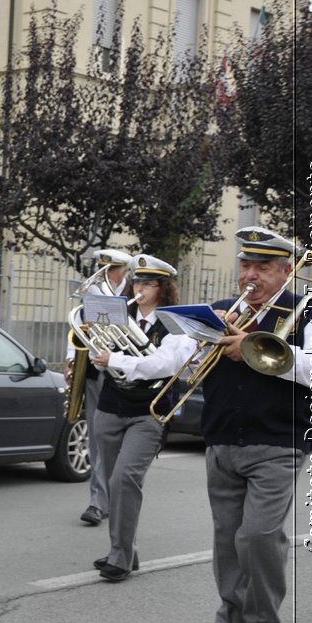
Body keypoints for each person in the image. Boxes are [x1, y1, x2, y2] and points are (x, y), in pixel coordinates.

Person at [192, 227, 312, 623]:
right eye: (246, 265)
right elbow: (184, 365)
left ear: (287, 272)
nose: (250, 275)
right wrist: (198, 344)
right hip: (222, 440)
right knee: (228, 541)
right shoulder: (218, 313)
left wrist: (250, 347)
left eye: (263, 267)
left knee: (259, 537)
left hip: (278, 442)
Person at [87, 254, 192, 582]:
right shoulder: (118, 313)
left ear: (164, 287)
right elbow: (95, 348)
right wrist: (99, 354)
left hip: (149, 411)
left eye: (149, 283)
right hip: (110, 406)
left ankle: (119, 555)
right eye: (137, 281)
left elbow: (164, 364)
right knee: (114, 481)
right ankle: (124, 550)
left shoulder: (176, 322)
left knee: (124, 478)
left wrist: (117, 358)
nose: (141, 288)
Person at [79, 246, 133, 526]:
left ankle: (117, 498)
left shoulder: (136, 294)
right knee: (97, 436)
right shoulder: (94, 293)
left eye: (111, 269)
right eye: (103, 269)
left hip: (128, 373)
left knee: (123, 445)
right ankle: (97, 502)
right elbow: (79, 328)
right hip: (96, 369)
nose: (106, 275)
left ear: (124, 270)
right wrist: (68, 359)